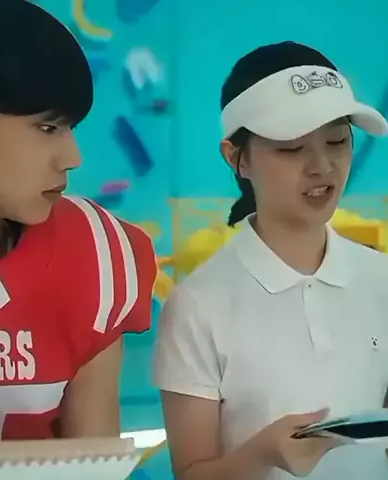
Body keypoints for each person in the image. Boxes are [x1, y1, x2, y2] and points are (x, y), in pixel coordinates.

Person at [0, 0, 156, 477]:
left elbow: (94, 468)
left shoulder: (96, 253)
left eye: (69, 128)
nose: (72, 156)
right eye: (47, 127)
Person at [153, 41, 388, 480]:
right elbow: (191, 474)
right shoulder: (197, 306)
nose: (322, 166)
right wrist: (261, 454)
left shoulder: (382, 280)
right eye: (293, 148)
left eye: (337, 141)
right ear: (236, 158)